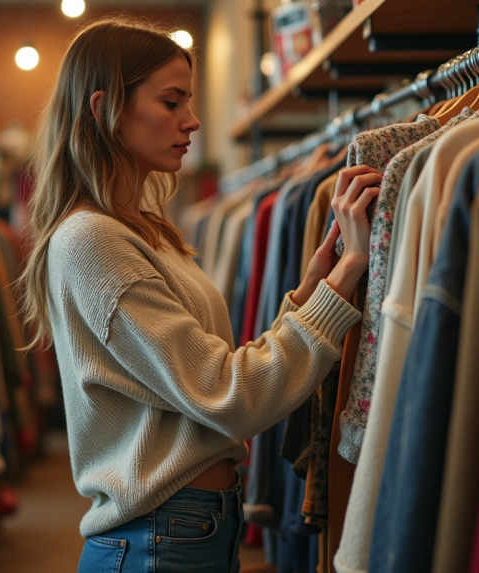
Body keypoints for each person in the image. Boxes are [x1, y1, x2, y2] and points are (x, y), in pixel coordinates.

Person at [19, 15, 380, 573]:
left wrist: (313, 288)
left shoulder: (142, 230)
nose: (191, 121)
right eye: (171, 102)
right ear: (104, 108)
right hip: (159, 537)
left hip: (184, 530)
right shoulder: (92, 241)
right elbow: (228, 395)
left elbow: (207, 374)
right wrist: (347, 274)